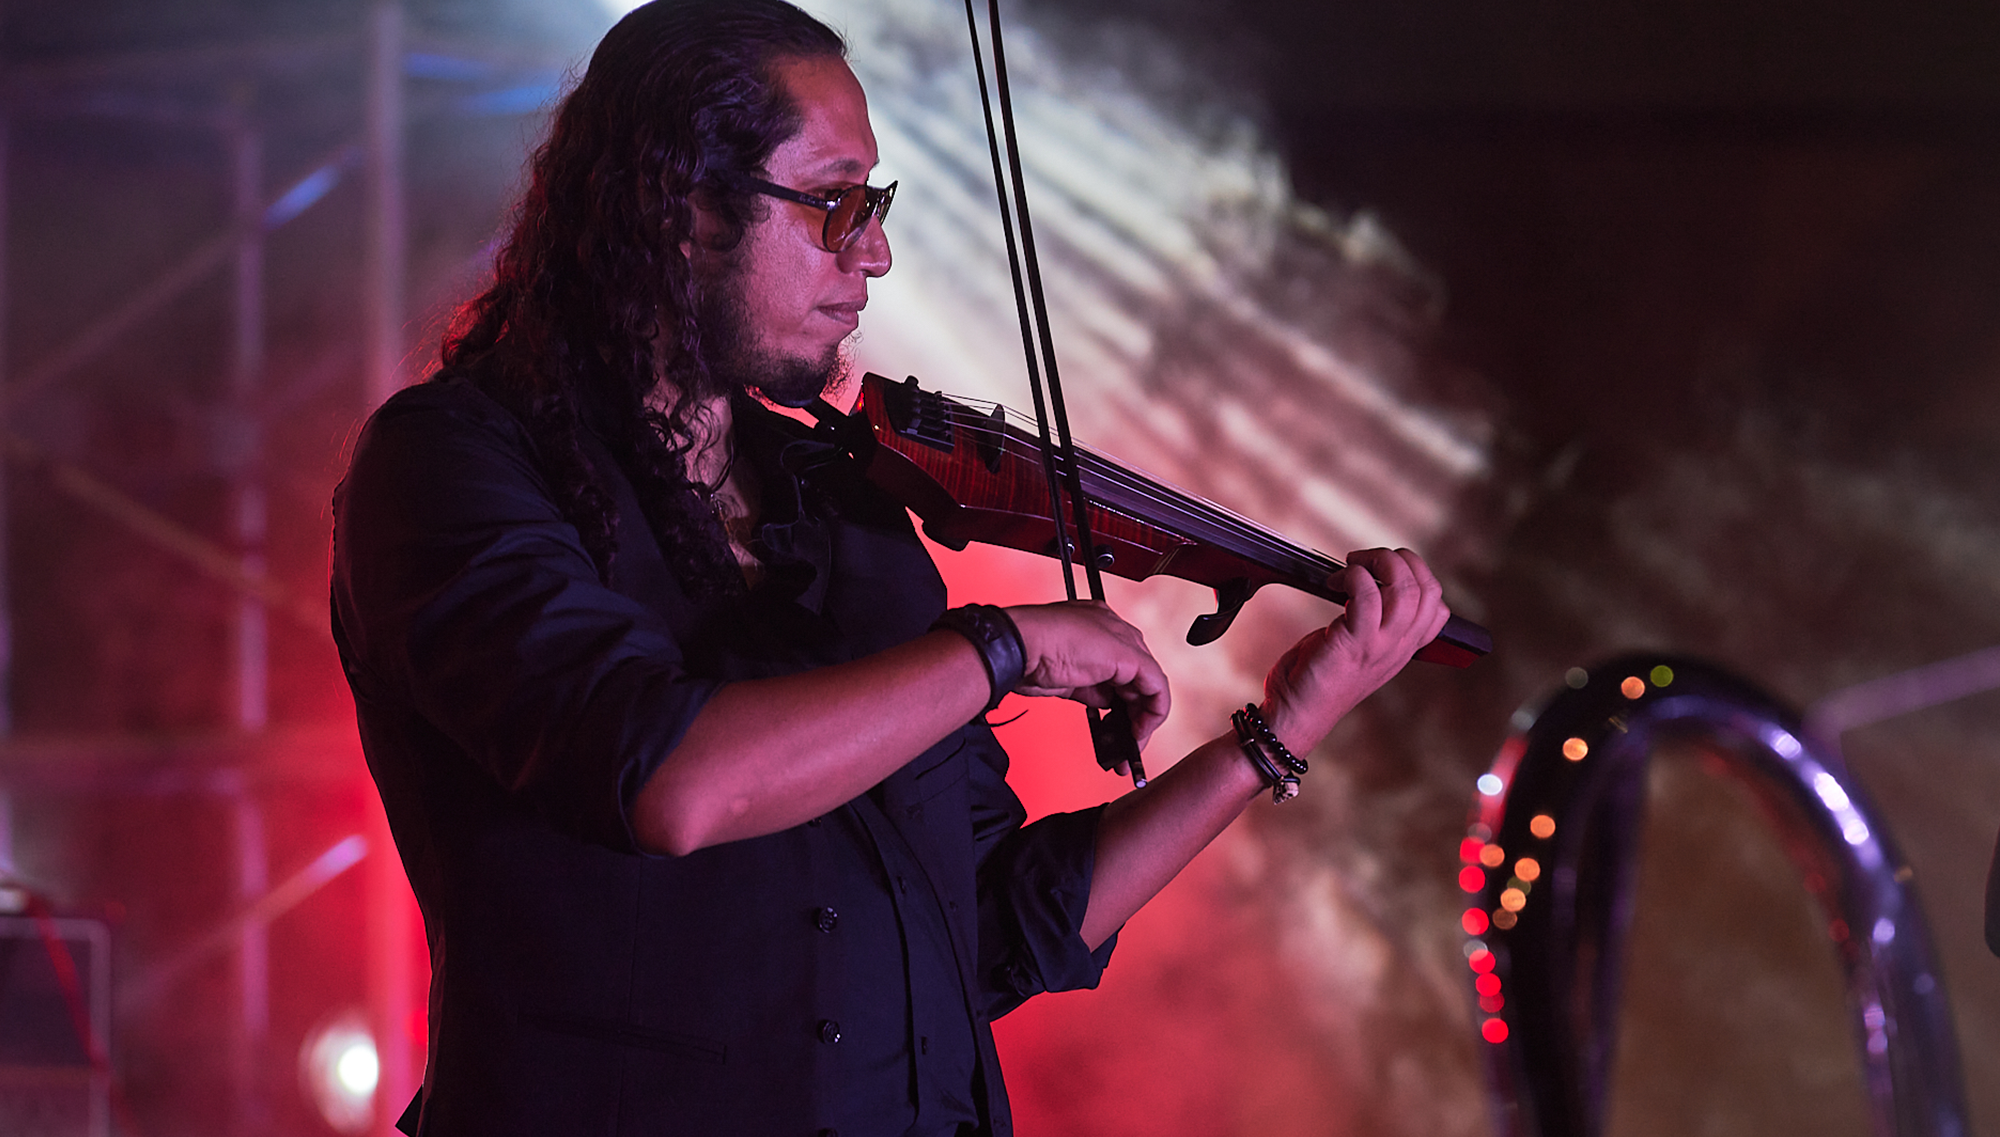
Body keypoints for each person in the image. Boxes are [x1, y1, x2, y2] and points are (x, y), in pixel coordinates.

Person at [329, 2, 1450, 1134]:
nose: (874, 252)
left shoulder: (837, 503)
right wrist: (995, 647)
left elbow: (992, 928)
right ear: (686, 208)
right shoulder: (452, 465)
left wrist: (1277, 734)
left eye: (875, 206)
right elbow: (667, 778)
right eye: (835, 203)